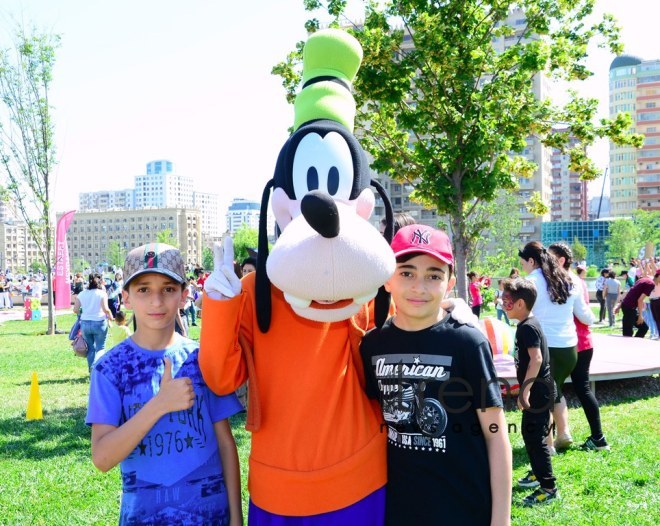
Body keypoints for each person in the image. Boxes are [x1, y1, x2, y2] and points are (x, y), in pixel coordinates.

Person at [361, 224, 511, 525]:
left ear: (450, 282)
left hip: (464, 507)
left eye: (433, 275)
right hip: (398, 508)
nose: (419, 286)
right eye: (407, 273)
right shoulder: (372, 344)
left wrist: (501, 519)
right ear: (387, 279)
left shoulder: (468, 342)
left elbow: (496, 435)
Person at [86, 242, 243, 525]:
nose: (156, 301)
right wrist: (159, 405)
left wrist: (236, 517)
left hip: (212, 516)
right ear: (126, 298)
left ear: (184, 296)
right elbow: (102, 458)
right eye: (144, 289)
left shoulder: (203, 359)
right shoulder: (110, 369)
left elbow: (225, 443)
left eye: (168, 289)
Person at [519, 241, 594, 453]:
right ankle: (564, 432)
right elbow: (582, 314)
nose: (523, 267)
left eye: (523, 263)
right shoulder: (571, 279)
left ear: (532, 261)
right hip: (570, 348)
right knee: (555, 390)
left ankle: (547, 444)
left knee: (541, 396)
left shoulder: (531, 281)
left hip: (545, 346)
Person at [502, 277, 558, 506]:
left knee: (535, 437)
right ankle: (537, 473)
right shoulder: (528, 324)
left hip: (538, 392)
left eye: (507, 300)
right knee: (531, 433)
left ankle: (549, 487)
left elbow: (536, 358)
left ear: (520, 304)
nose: (502, 304)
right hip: (539, 390)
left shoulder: (527, 327)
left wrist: (525, 391)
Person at [556, 254, 609, 452]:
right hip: (581, 343)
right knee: (580, 389)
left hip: (568, 343)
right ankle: (598, 437)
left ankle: (556, 437)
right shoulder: (575, 280)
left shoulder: (566, 281)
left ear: (560, 260)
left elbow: (585, 315)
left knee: (553, 390)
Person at [73, 273, 113, 371]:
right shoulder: (102, 293)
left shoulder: (82, 294)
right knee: (100, 347)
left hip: (85, 323)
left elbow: (75, 309)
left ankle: (91, 369)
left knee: (90, 348)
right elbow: (106, 309)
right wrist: (111, 317)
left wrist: (82, 313)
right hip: (99, 322)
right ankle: (95, 366)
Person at [615, 269, 660, 337]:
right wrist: (640, 316)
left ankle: (635, 344)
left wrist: (619, 306)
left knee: (644, 328)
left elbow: (630, 293)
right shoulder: (651, 284)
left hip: (628, 307)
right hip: (629, 308)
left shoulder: (644, 279)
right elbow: (640, 300)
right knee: (627, 334)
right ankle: (629, 346)